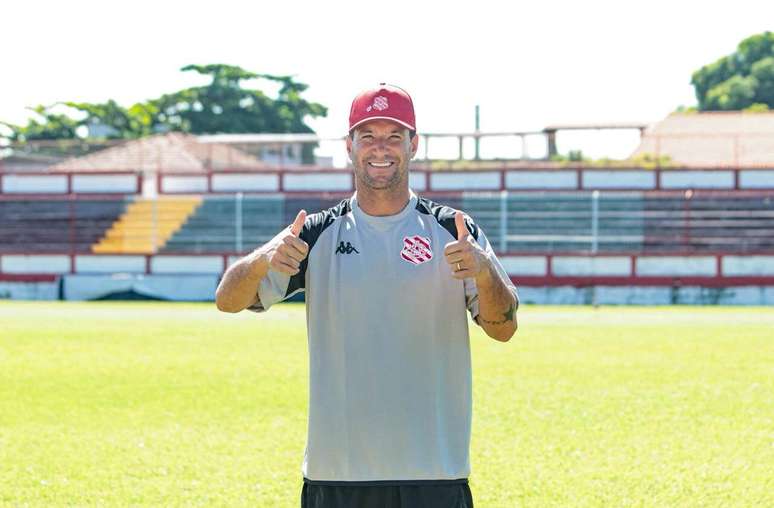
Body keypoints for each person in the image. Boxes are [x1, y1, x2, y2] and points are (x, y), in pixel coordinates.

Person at [215, 83, 519, 508]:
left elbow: (503, 329)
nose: (381, 148)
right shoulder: (315, 233)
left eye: (394, 136)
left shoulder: (454, 230)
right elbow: (227, 299)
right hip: (336, 471)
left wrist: (484, 272)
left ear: (414, 145)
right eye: (368, 136)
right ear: (349, 146)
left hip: (435, 471)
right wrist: (266, 257)